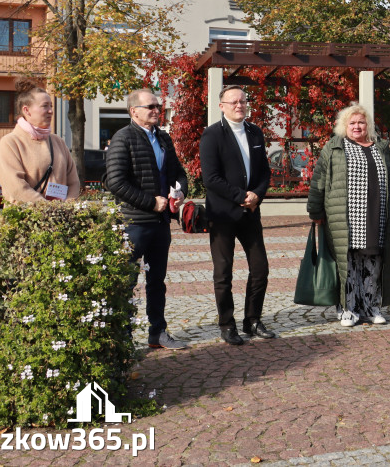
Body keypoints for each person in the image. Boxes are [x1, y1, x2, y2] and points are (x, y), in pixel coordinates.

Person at [105, 88, 188, 350]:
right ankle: (123, 337)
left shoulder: (163, 138)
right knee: (127, 281)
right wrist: (150, 202)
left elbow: (179, 173)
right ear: (134, 112)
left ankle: (158, 332)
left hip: (160, 224)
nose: (156, 110)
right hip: (134, 223)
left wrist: (181, 191)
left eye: (158, 106)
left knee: (156, 282)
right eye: (150, 106)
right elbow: (116, 182)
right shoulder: (123, 138)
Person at [307, 103, 390, 327]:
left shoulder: (382, 147)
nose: (357, 126)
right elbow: (318, 179)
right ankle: (347, 308)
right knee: (347, 263)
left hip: (377, 214)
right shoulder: (335, 147)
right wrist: (315, 209)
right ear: (344, 126)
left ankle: (371, 306)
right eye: (352, 123)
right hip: (345, 217)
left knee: (374, 260)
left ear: (368, 125)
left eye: (361, 122)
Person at [199, 86, 273, 346]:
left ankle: (252, 320)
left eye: (243, 100)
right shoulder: (212, 135)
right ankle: (227, 324)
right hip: (222, 214)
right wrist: (242, 196)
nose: (239, 105)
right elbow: (210, 179)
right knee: (224, 273)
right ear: (222, 106)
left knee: (261, 269)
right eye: (233, 102)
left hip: (251, 212)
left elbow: (264, 171)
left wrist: (257, 195)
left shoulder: (255, 132)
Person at [0, 85, 80, 203]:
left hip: (60, 218)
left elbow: (73, 182)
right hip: (26, 218)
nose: (50, 111)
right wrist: (46, 208)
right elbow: (16, 186)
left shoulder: (58, 141)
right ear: (27, 110)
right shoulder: (10, 142)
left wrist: (67, 207)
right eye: (45, 106)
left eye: (51, 106)